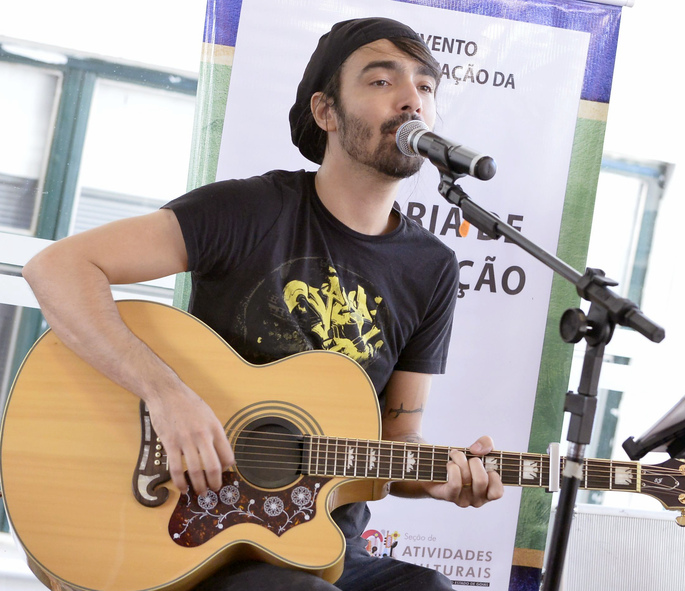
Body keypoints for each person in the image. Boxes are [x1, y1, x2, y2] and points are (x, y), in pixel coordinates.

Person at [23, 16, 503, 591]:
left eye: (425, 86)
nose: (411, 99)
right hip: (196, 534)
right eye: (382, 81)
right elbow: (57, 268)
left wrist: (440, 479)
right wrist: (166, 395)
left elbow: (396, 444)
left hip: (322, 543)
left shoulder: (432, 267)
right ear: (325, 112)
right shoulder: (248, 211)